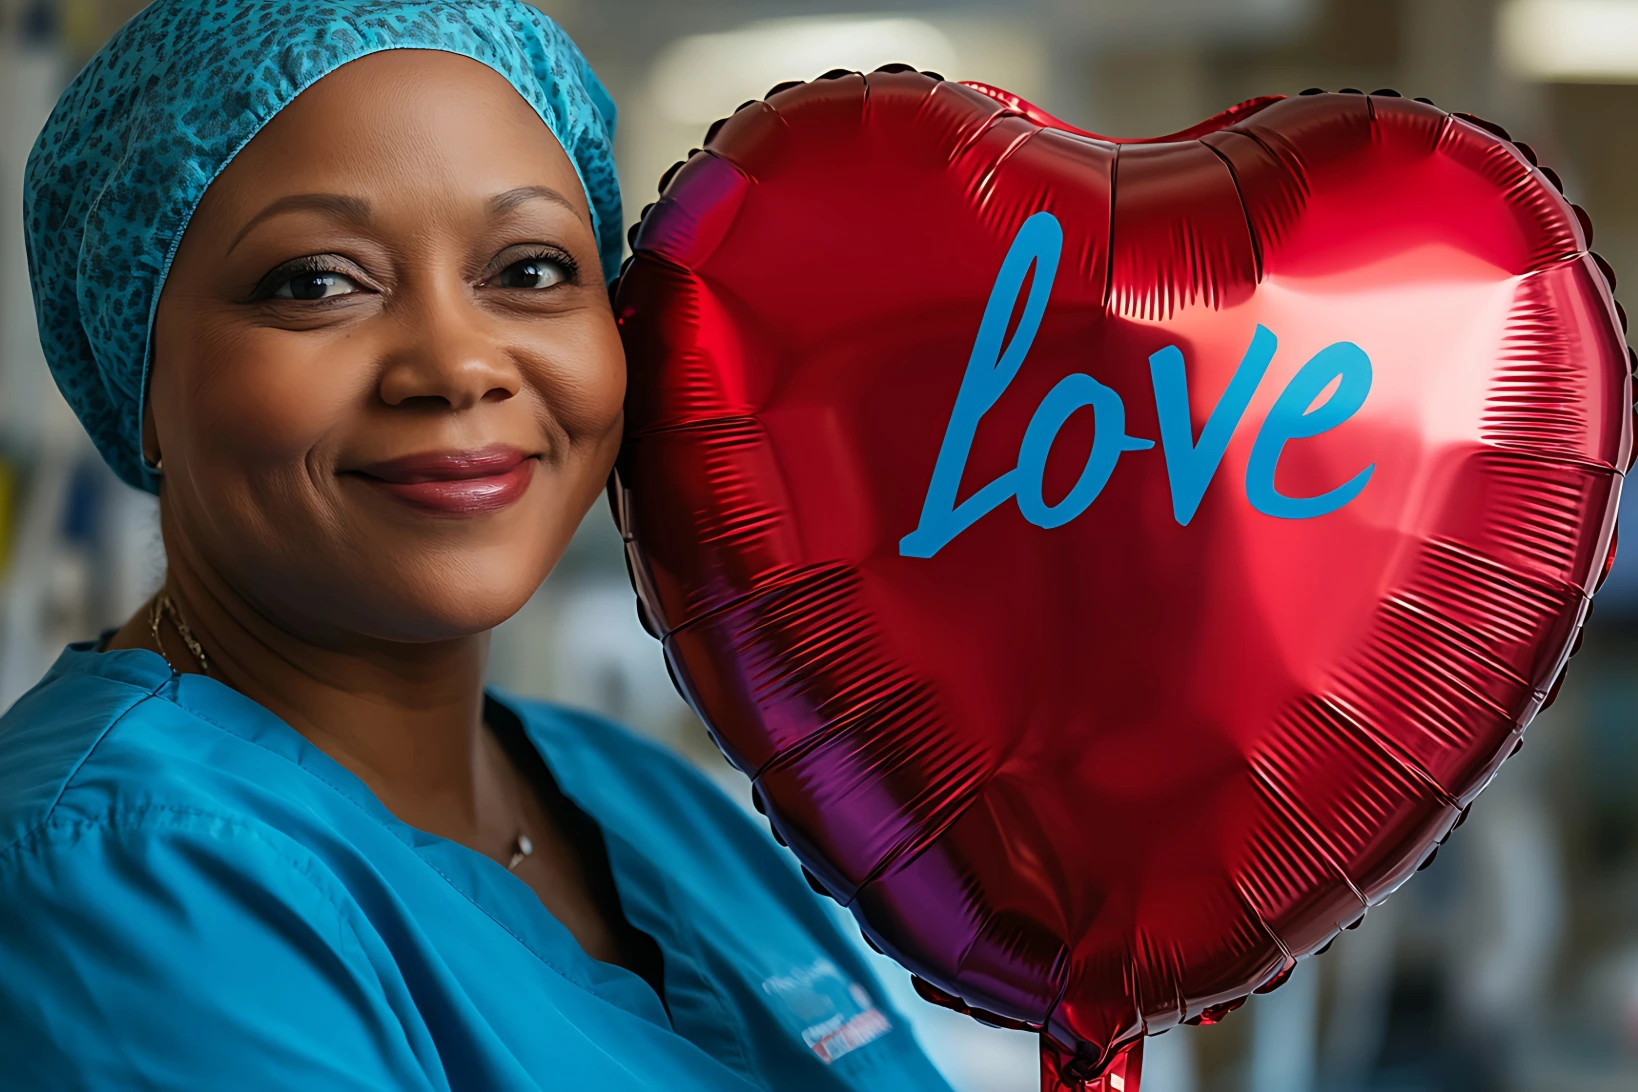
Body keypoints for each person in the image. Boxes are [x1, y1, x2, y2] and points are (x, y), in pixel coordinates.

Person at [0, 3, 955, 1089]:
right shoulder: (125, 883)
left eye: (530, 269)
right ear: (138, 375)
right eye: (316, 281)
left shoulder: (651, 800)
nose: (457, 366)